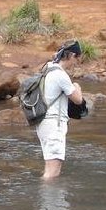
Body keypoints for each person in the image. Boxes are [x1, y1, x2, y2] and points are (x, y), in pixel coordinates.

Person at [36, 39, 84, 180]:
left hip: (43, 122)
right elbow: (78, 100)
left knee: (50, 167)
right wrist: (77, 87)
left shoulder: (48, 67)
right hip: (53, 125)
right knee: (53, 172)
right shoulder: (61, 75)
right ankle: (49, 201)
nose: (76, 62)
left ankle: (47, 200)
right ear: (71, 56)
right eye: (77, 58)